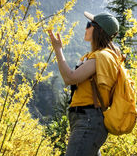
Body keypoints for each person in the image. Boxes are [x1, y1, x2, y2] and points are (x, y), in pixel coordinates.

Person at [48, 11, 123, 156]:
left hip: (89, 122)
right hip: (87, 121)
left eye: (89, 25)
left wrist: (58, 50)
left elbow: (70, 78)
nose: (85, 28)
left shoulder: (101, 57)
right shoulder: (100, 56)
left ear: (99, 31)